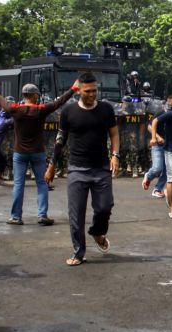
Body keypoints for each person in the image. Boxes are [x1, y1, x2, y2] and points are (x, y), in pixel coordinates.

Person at [0, 81, 77, 225]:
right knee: (42, 183)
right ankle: (42, 215)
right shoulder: (41, 110)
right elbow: (59, 102)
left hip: (19, 153)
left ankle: (15, 217)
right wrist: (73, 89)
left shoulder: (15, 109)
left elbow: (2, 101)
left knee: (18, 184)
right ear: (34, 95)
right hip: (38, 152)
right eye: (37, 95)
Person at [51, 72, 119, 266]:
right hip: (77, 169)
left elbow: (114, 134)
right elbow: (60, 139)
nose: (92, 94)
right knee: (76, 214)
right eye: (87, 91)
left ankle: (98, 232)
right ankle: (78, 253)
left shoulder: (106, 109)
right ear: (78, 90)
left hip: (101, 168)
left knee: (105, 207)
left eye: (94, 90)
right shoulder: (68, 112)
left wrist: (115, 155)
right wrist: (52, 165)